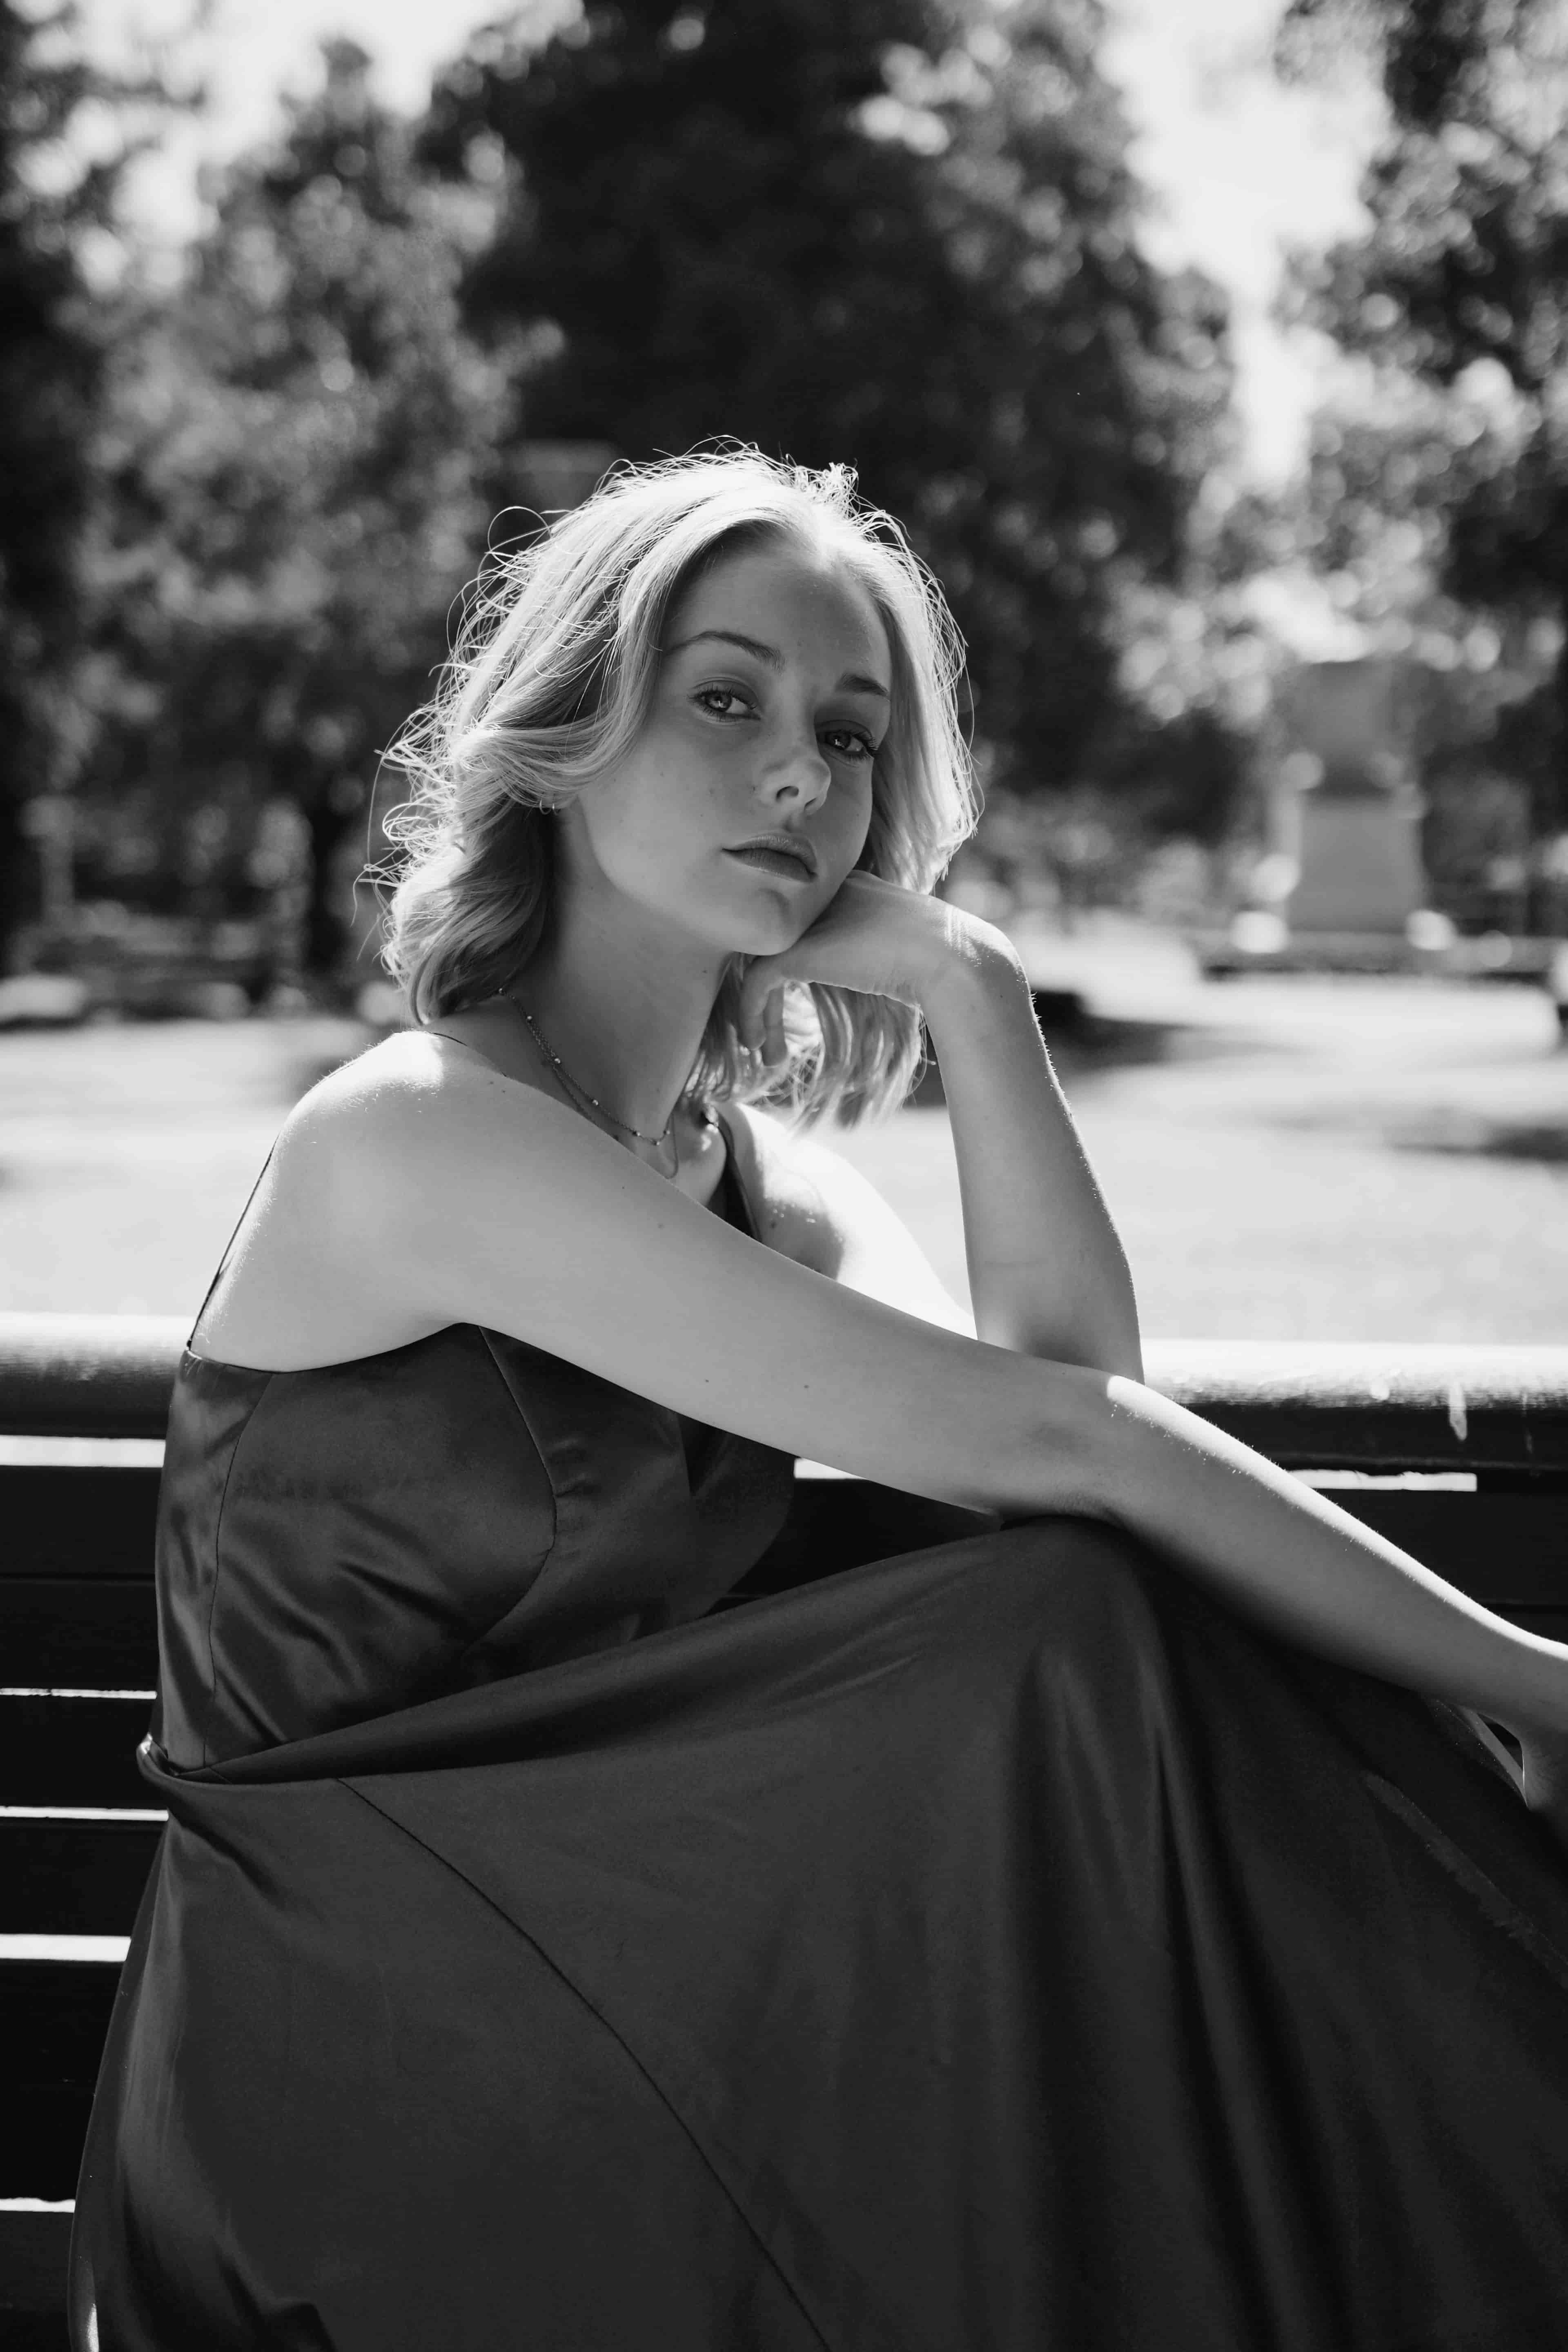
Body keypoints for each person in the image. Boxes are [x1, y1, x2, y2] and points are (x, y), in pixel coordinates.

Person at [71, 450, 1568, 2352]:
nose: (802, 775)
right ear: (566, 736)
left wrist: (972, 984)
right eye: (728, 700)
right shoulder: (418, 1139)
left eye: (851, 739)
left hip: (642, 1996)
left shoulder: (755, 1187)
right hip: (346, 2057)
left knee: (1082, 1634)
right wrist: (1533, 1687)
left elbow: (1064, 1427)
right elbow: (1076, 1446)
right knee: (1078, 1666)